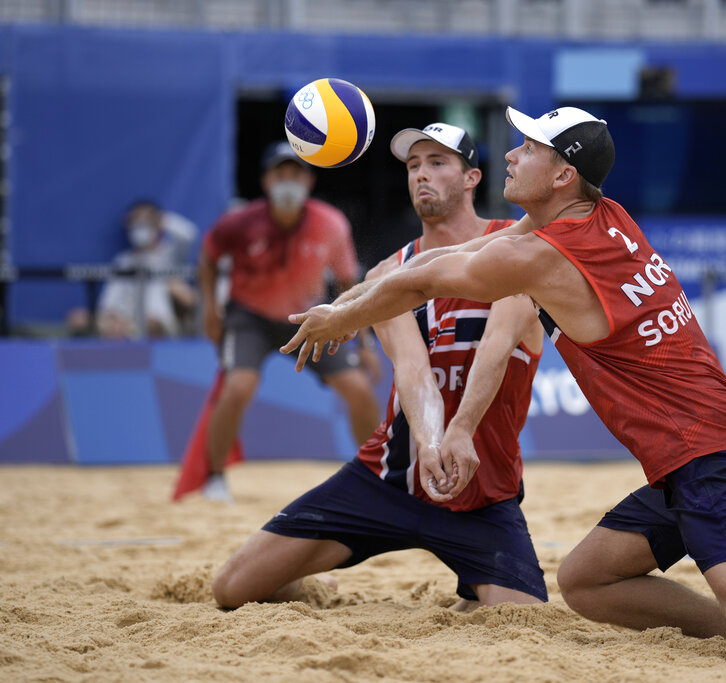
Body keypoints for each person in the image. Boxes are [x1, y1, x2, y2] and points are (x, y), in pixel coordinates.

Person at [281, 106, 726, 656]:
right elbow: (466, 257)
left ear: (562, 174)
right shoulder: (601, 215)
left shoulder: (547, 258)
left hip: (712, 449)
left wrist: (339, 315)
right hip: (688, 452)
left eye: (528, 147)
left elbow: (431, 276)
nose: (511, 152)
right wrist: (353, 307)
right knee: (587, 579)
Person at [211, 123, 547, 609]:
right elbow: (413, 372)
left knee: (523, 619)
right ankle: (313, 581)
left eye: (437, 163)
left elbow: (495, 351)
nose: (421, 176)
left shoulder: (514, 252)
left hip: (481, 492)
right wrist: (431, 443)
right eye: (413, 167)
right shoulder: (388, 274)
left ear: (472, 177)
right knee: (233, 590)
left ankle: (473, 589)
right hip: (387, 479)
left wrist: (459, 431)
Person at [197, 142, 381, 503]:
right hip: (248, 317)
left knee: (359, 390)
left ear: (309, 181)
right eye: (281, 174)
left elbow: (348, 284)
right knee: (236, 388)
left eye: (296, 174)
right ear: (266, 181)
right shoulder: (239, 222)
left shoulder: (330, 223)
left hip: (309, 318)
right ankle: (214, 478)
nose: (288, 181)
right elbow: (207, 259)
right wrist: (210, 310)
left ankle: (375, 476)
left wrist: (364, 341)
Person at [68, 199, 198, 338]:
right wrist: (110, 315)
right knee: (77, 319)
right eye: (135, 221)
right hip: (123, 320)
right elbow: (110, 296)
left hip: (155, 321)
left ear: (156, 223)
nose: (139, 225)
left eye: (145, 222)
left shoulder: (169, 254)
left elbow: (189, 234)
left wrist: (161, 219)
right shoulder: (122, 260)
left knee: (151, 324)